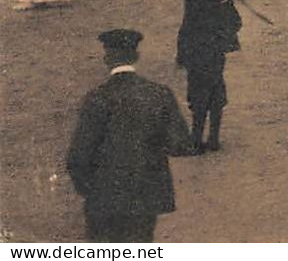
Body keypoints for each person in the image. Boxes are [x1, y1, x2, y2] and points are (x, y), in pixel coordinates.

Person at [66, 29, 193, 242]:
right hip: (144, 198)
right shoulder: (159, 94)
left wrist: (91, 190)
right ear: (136, 57)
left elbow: (78, 156)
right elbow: (181, 145)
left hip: (104, 199)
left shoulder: (97, 97)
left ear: (107, 59)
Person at [174, 0, 242, 152]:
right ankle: (214, 138)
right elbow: (235, 22)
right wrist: (222, 39)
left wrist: (181, 55)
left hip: (197, 54)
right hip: (216, 54)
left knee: (198, 95)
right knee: (216, 92)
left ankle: (196, 139)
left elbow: (186, 28)